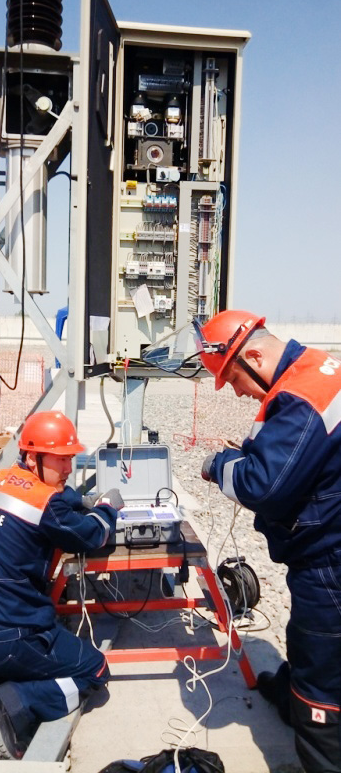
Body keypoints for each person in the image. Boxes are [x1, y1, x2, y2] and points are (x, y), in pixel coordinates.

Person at [196, 310, 341, 773]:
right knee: (307, 638)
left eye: (234, 379)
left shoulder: (300, 396)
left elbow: (264, 486)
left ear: (254, 356)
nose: (237, 392)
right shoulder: (314, 368)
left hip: (329, 559)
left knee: (322, 672)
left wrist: (219, 465)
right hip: (327, 545)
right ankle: (291, 692)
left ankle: (318, 739)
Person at [0, 410, 124, 759]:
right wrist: (106, 507)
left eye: (70, 458)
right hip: (9, 638)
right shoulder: (47, 506)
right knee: (95, 670)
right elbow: (93, 534)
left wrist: (76, 500)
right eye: (61, 460)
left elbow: (55, 499)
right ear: (33, 458)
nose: (68, 468)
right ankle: (13, 704)